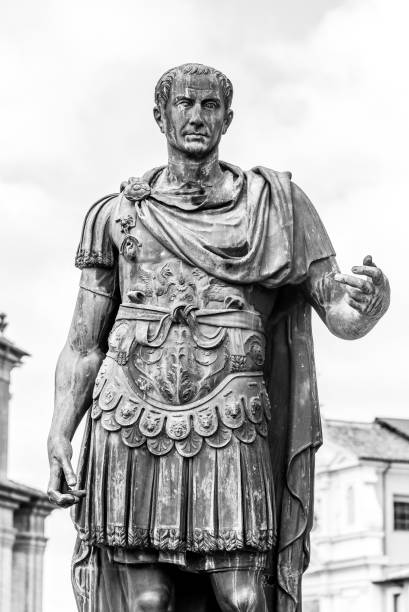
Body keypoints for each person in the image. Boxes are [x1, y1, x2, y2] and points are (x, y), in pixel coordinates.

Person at [47, 63, 390, 612]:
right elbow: (84, 342)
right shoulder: (114, 215)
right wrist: (61, 431)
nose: (196, 116)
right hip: (131, 414)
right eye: (185, 104)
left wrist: (371, 303)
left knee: (243, 596)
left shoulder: (276, 207)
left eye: (210, 106)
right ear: (160, 115)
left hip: (231, 414)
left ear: (228, 119)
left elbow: (340, 312)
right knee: (147, 601)